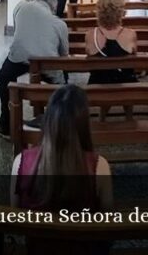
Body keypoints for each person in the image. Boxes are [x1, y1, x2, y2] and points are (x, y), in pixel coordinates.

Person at [10, 84, 112, 255]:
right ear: (84, 124)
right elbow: (107, 221)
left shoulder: (21, 162)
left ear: (48, 121)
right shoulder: (99, 165)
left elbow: (15, 216)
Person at [0, 0, 69, 140]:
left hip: (19, 58)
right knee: (62, 80)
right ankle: (59, 124)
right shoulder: (59, 24)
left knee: (4, 75)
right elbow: (64, 55)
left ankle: (6, 125)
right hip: (47, 63)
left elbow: (18, 33)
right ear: (50, 6)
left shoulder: (20, 7)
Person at [85, 0, 138, 85]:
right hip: (126, 89)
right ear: (121, 10)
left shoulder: (90, 35)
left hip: (97, 88)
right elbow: (134, 62)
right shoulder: (131, 34)